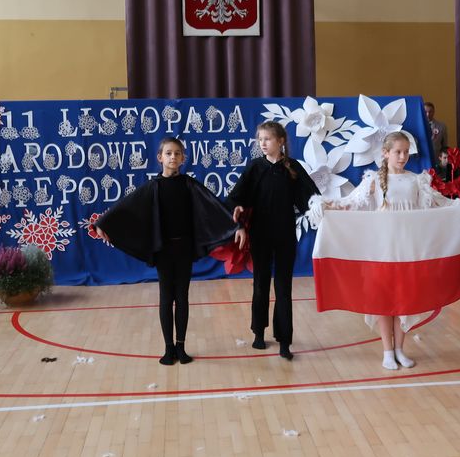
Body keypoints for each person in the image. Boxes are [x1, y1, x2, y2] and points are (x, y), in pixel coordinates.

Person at [316, 131, 460, 370]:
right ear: (386, 153)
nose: (403, 156)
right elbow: (351, 203)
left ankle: (400, 350)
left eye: (406, 152)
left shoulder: (416, 180)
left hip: (408, 251)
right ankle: (387, 351)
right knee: (383, 302)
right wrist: (325, 205)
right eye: (398, 152)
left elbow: (440, 202)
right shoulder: (373, 180)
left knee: (404, 301)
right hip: (382, 251)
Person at [94, 138, 244, 366]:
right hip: (164, 250)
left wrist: (236, 226)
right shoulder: (152, 187)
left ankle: (181, 346)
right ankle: (168, 348)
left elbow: (214, 207)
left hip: (184, 248)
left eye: (177, 153)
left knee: (182, 297)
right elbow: (126, 207)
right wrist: (103, 223)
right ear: (160, 157)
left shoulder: (190, 185)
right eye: (168, 153)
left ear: (183, 158)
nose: (173, 157)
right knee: (166, 297)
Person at [226, 121, 319, 360]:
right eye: (260, 139)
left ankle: (284, 340)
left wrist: (326, 209)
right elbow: (235, 199)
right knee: (260, 284)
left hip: (285, 235)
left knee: (284, 288)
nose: (263, 143)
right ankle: (258, 332)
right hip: (260, 235)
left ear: (281, 141)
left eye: (267, 139)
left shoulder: (293, 167)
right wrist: (239, 220)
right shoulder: (255, 168)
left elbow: (311, 199)